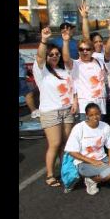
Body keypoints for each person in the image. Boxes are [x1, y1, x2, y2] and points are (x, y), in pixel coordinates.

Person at [33, 26, 76, 187]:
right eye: (51, 55)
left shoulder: (64, 71)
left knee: (65, 144)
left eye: (56, 54)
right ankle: (50, 174)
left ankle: (66, 171)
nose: (54, 57)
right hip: (50, 112)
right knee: (55, 143)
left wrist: (75, 102)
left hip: (67, 110)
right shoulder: (42, 71)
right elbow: (39, 56)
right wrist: (44, 40)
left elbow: (73, 89)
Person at [64, 103, 110, 195]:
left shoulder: (105, 126)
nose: (95, 117)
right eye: (91, 115)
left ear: (100, 113)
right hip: (84, 163)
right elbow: (72, 152)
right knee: (109, 173)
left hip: (103, 159)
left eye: (97, 114)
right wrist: (92, 161)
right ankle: (91, 180)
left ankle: (103, 177)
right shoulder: (79, 128)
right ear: (86, 115)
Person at [65, 28, 107, 122]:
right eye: (81, 49)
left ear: (92, 50)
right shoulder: (75, 64)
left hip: (101, 105)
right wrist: (66, 41)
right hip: (84, 107)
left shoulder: (99, 61)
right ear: (78, 51)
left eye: (87, 49)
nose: (84, 51)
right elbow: (66, 58)